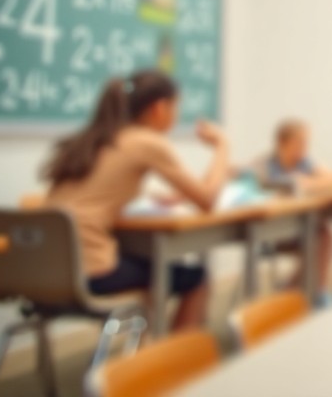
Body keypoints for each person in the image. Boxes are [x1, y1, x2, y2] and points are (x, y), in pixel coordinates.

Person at [43, 70, 230, 332]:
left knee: (146, 267)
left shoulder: (88, 140)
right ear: (159, 108)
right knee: (196, 278)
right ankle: (173, 364)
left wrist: (178, 196)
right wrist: (222, 145)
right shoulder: (145, 141)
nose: (176, 115)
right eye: (176, 107)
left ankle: (144, 353)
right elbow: (208, 199)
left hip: (43, 271)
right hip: (89, 270)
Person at [252, 119, 332, 304]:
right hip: (272, 232)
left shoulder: (305, 163)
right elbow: (247, 188)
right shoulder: (263, 165)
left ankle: (315, 292)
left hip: (300, 229)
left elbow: (331, 178)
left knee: (324, 234)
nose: (304, 147)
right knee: (317, 241)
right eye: (299, 142)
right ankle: (290, 294)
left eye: (306, 142)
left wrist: (307, 183)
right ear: (282, 142)